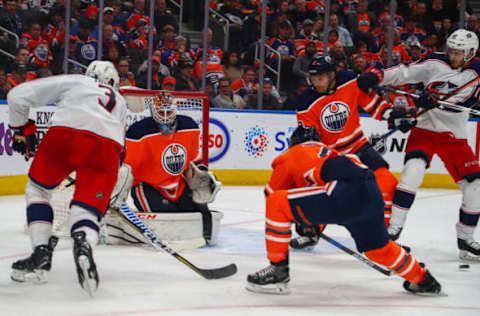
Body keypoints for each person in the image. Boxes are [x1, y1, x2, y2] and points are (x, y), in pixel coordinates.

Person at [246, 125, 441, 295]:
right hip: (371, 191)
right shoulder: (330, 151)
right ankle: (423, 280)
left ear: (293, 143)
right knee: (379, 250)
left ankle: (278, 270)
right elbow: (318, 195)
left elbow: (273, 195)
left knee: (276, 203)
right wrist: (309, 221)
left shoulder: (290, 155)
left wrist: (304, 223)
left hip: (344, 191)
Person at [7, 61, 127, 296]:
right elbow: (120, 152)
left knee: (38, 190)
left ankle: (41, 252)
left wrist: (21, 128)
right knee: (87, 209)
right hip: (108, 149)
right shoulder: (120, 103)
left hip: (66, 134)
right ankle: (83, 243)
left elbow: (16, 96)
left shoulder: (77, 81)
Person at [359, 29, 480, 260]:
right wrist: (377, 77)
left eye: (458, 53)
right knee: (412, 171)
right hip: (424, 129)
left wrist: (434, 99)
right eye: (451, 51)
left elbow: (460, 100)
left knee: (476, 187)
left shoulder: (477, 73)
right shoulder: (435, 60)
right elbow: (404, 73)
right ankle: (392, 229)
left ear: (470, 53)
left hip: (454, 135)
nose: (452, 56)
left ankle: (465, 238)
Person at [289, 55, 415, 249]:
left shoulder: (348, 81)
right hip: (331, 156)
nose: (316, 83)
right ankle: (312, 230)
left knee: (386, 181)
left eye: (320, 78)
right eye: (313, 79)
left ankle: (384, 236)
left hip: (358, 147)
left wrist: (393, 116)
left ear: (332, 75)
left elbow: (371, 103)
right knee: (325, 192)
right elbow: (310, 140)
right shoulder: (306, 101)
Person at [110, 92, 221, 244]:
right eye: (161, 112)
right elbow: (126, 169)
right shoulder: (139, 133)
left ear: (175, 110)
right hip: (147, 186)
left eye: (168, 112)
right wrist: (118, 193)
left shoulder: (190, 127)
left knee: (200, 212)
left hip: (177, 185)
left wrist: (202, 174)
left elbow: (194, 160)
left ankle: (206, 238)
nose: (165, 116)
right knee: (168, 217)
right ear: (153, 111)